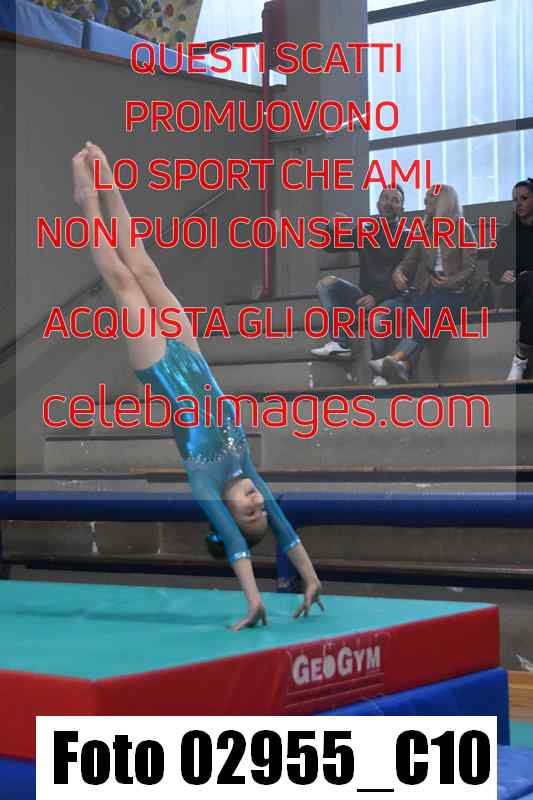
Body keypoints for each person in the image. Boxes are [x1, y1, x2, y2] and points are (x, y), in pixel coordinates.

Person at [72, 142, 323, 631]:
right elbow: (287, 532)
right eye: (259, 508)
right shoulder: (245, 467)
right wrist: (311, 576)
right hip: (193, 355)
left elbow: (235, 544)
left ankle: (87, 202)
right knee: (146, 267)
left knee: (123, 281)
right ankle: (109, 183)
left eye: (247, 512)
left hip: (159, 368)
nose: (256, 502)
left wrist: (253, 599)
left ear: (227, 513)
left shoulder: (205, 482)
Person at [371, 184, 478, 384]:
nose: (425, 199)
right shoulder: (423, 230)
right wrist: (399, 272)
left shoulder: (463, 228)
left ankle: (394, 358)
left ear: (444, 202)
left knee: (427, 312)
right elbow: (409, 260)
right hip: (426, 289)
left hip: (454, 292)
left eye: (431, 196)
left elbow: (470, 267)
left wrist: (450, 281)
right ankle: (404, 366)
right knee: (415, 310)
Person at [310, 186, 409, 386]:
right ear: (378, 204)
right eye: (385, 198)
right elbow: (332, 246)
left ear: (402, 208)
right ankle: (341, 343)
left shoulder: (406, 235)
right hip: (365, 296)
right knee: (326, 284)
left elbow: (407, 277)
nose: (389, 203)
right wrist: (332, 228)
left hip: (395, 298)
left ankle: (382, 373)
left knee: (377, 317)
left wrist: (376, 297)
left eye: (395, 200)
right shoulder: (366, 230)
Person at [489, 178, 533, 381]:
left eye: (524, 198)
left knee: (530, 304)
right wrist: (501, 274)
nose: (519, 203)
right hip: (514, 290)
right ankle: (521, 358)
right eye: (515, 199)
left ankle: (520, 359)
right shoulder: (507, 233)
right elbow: (493, 268)